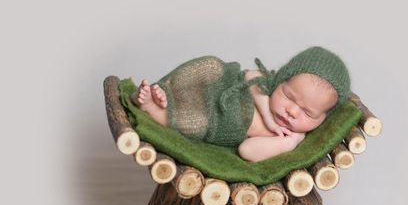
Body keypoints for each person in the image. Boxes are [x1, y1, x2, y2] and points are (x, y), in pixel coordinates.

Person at [131, 46, 351, 162]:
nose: (292, 111)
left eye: (308, 113)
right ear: (281, 79)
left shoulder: (289, 137)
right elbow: (250, 75)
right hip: (220, 84)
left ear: (323, 119)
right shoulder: (267, 84)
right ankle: (161, 88)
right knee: (210, 64)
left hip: (214, 120)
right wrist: (266, 115)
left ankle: (150, 106)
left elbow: (247, 150)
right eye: (289, 96)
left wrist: (287, 143)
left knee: (194, 123)